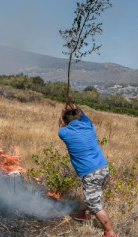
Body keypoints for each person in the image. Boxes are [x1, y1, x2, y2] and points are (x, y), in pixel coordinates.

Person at [58, 96, 117, 237]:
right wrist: (71, 104)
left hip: (91, 172)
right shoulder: (87, 123)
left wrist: (62, 114)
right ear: (78, 117)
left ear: (65, 122)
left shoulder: (64, 132)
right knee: (93, 194)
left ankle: (111, 233)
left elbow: (60, 124)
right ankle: (88, 214)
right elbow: (80, 112)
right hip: (103, 166)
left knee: (93, 203)